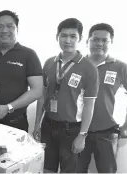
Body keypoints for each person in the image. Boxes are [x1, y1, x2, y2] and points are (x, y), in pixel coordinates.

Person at [33, 18, 99, 173]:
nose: (67, 40)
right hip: (48, 126)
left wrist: (82, 136)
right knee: (47, 168)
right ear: (57, 37)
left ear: (80, 39)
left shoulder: (89, 68)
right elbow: (42, 96)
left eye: (73, 36)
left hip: (72, 130)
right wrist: (37, 124)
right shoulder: (49, 63)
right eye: (63, 35)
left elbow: (90, 105)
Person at [77, 23, 127, 173]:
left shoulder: (121, 67)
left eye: (105, 40)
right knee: (76, 170)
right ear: (87, 41)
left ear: (111, 42)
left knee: (107, 171)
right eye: (95, 39)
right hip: (78, 131)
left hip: (107, 132)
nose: (99, 43)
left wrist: (126, 126)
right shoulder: (77, 65)